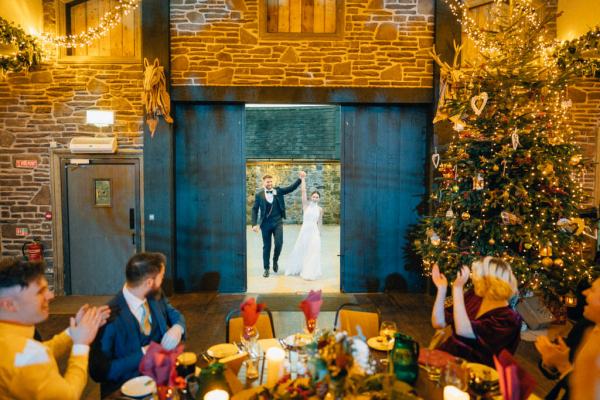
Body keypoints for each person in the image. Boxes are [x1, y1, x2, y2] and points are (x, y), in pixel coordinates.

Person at [0, 257, 109, 399]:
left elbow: (43, 350)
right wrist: (81, 345)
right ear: (9, 305)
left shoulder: (11, 338)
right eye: (40, 292)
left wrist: (74, 331)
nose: (51, 296)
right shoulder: (29, 356)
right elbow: (68, 395)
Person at [89, 252, 186, 397]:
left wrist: (178, 327)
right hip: (127, 390)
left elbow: (174, 314)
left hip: (162, 380)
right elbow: (101, 372)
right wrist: (142, 354)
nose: (163, 279)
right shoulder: (109, 316)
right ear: (149, 282)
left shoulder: (156, 294)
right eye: (162, 276)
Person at [430, 256, 522, 366]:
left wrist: (458, 289)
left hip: (475, 373)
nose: (473, 279)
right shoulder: (475, 296)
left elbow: (464, 332)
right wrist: (441, 289)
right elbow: (438, 323)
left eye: (477, 277)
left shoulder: (509, 319)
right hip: (446, 358)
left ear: (490, 282)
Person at [534, 278, 595, 400]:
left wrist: (563, 366)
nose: (585, 292)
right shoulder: (587, 324)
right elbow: (564, 362)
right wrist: (552, 362)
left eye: (594, 290)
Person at [252, 171, 305, 278]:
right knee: (267, 247)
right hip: (265, 224)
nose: (269, 183)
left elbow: (291, 188)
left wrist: (300, 179)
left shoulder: (278, 191)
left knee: (279, 243)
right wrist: (254, 224)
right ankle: (266, 268)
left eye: (271, 181)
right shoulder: (259, 195)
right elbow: (254, 209)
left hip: (277, 222)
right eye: (267, 182)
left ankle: (275, 260)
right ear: (263, 183)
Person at [285, 175, 323, 280]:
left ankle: (310, 270)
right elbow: (303, 192)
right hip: (305, 231)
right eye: (314, 196)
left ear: (319, 198)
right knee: (302, 249)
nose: (315, 198)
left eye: (317, 197)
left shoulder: (320, 209)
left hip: (314, 232)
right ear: (311, 197)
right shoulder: (306, 206)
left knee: (313, 250)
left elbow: (320, 222)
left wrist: (320, 233)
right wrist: (303, 179)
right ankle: (301, 267)